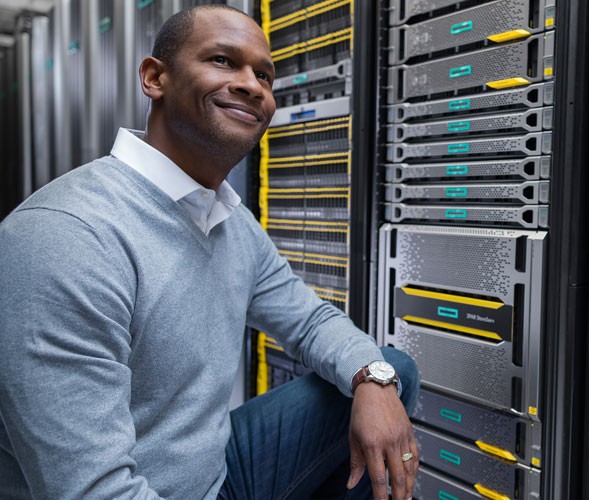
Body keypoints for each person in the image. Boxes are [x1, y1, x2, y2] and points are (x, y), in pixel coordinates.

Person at [0, 5, 420, 499]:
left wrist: (372, 379)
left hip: (215, 470)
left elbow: (310, 322)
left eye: (263, 74)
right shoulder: (66, 236)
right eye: (222, 61)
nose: (251, 85)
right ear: (155, 78)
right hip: (137, 488)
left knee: (391, 371)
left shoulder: (226, 219)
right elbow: (94, 489)